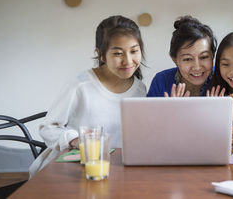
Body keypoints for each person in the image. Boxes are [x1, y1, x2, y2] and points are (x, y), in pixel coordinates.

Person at [29, 15, 146, 178]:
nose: (128, 61)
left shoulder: (140, 89)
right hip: (70, 172)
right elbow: (48, 128)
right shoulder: (81, 85)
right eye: (118, 53)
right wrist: (75, 140)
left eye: (134, 51)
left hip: (114, 171)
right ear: (101, 55)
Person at [147, 15, 217, 97]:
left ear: (213, 55)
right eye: (187, 59)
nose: (197, 67)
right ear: (175, 60)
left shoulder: (223, 77)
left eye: (204, 57)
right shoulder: (161, 81)